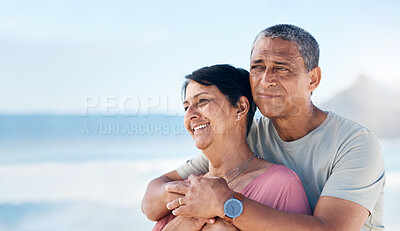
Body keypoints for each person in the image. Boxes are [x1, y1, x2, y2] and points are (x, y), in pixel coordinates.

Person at [142, 24, 385, 231]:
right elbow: (155, 193)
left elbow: (329, 229)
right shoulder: (250, 135)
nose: (266, 80)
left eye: (281, 68)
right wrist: (189, 199)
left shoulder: (356, 145)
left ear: (312, 79)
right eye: (257, 67)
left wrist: (226, 204)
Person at [151, 64, 311, 231]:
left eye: (202, 101)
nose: (190, 115)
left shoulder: (281, 184)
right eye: (186, 107)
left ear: (240, 108)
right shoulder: (186, 191)